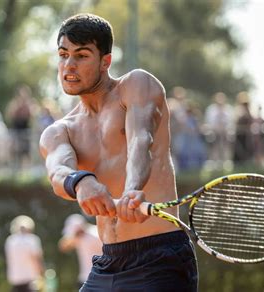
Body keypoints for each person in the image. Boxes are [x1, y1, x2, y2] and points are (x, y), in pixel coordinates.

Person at [39, 13, 198, 291]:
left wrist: (133, 188)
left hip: (160, 259)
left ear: (105, 61)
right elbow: (58, 173)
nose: (69, 65)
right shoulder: (59, 131)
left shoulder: (136, 85)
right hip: (107, 261)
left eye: (81, 55)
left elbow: (141, 140)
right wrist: (81, 182)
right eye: (63, 55)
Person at [58, 214, 102, 289]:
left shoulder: (96, 233)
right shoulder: (78, 238)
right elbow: (62, 246)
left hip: (99, 277)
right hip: (85, 278)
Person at [5, 215, 44, 292]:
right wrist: (42, 275)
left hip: (15, 282)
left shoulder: (10, 241)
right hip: (31, 282)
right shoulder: (32, 240)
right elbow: (36, 259)